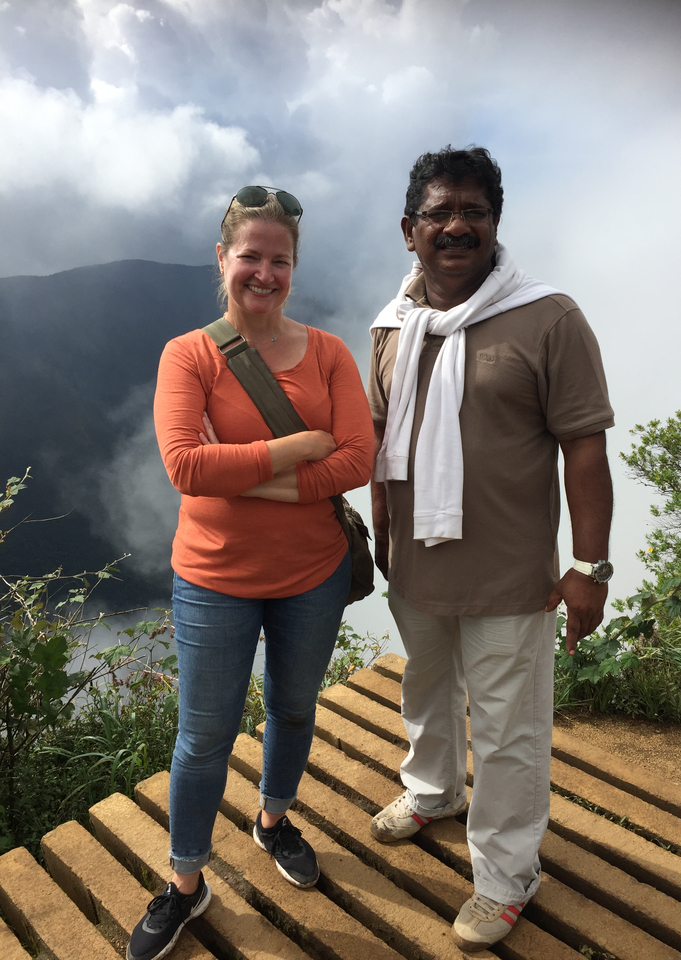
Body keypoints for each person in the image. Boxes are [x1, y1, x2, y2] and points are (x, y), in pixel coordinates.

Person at [368, 147, 614, 952]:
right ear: (410, 231)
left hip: (513, 578)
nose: (456, 226)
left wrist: (588, 567)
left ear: (495, 225)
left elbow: (583, 449)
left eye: (473, 211)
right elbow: (377, 443)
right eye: (438, 213)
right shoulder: (391, 326)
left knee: (510, 732)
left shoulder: (549, 318)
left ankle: (507, 876)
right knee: (425, 691)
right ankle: (433, 790)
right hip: (415, 568)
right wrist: (381, 535)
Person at [127, 186, 374, 960]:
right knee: (203, 738)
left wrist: (247, 473)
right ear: (222, 259)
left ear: (294, 267)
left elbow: (358, 460)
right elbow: (183, 466)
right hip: (213, 578)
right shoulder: (188, 354)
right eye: (251, 257)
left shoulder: (330, 352)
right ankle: (186, 885)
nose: (265, 274)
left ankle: (271, 821)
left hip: (314, 572)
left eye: (281, 260)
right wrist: (302, 450)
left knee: (295, 711)